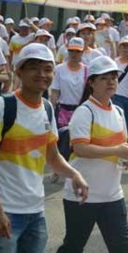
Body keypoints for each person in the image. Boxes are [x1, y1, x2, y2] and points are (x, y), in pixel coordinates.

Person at [0, 43, 89, 252]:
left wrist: (74, 174)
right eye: (34, 68)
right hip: (4, 210)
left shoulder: (46, 109)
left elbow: (53, 157)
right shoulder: (1, 107)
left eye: (47, 69)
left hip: (35, 212)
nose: (41, 74)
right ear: (19, 71)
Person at [58, 56, 128, 252]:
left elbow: (121, 145)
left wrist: (126, 157)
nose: (111, 81)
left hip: (112, 194)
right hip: (83, 195)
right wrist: (117, 151)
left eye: (114, 77)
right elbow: (81, 149)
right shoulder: (85, 111)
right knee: (74, 246)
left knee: (121, 247)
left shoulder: (118, 111)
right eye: (103, 78)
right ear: (91, 82)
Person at [49, 37, 88, 182]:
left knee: (78, 141)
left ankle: (74, 170)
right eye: (71, 51)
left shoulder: (87, 70)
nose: (74, 54)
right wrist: (51, 110)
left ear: (82, 52)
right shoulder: (59, 69)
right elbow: (54, 92)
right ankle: (57, 169)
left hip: (80, 110)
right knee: (61, 141)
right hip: (63, 110)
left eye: (77, 52)